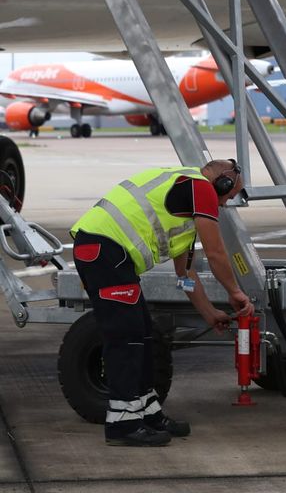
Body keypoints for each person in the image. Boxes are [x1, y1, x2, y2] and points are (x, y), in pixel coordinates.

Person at [69, 159, 254, 446]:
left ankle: (147, 413)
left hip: (109, 255)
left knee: (144, 334)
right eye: (229, 197)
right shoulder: (199, 188)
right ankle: (122, 423)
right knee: (127, 336)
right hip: (103, 250)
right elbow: (217, 253)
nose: (226, 205)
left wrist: (208, 313)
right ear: (222, 183)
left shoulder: (185, 205)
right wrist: (234, 291)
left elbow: (185, 275)